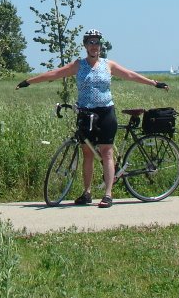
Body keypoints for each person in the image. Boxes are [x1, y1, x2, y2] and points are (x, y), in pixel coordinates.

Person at [16, 30, 169, 208]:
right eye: (90, 42)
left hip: (105, 113)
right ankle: (87, 193)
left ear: (100, 46)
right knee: (87, 154)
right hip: (85, 114)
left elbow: (130, 75)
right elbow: (54, 74)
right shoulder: (78, 65)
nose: (94, 46)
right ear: (85, 45)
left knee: (107, 152)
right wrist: (28, 81)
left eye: (96, 43)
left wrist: (154, 83)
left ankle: (108, 194)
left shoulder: (108, 64)